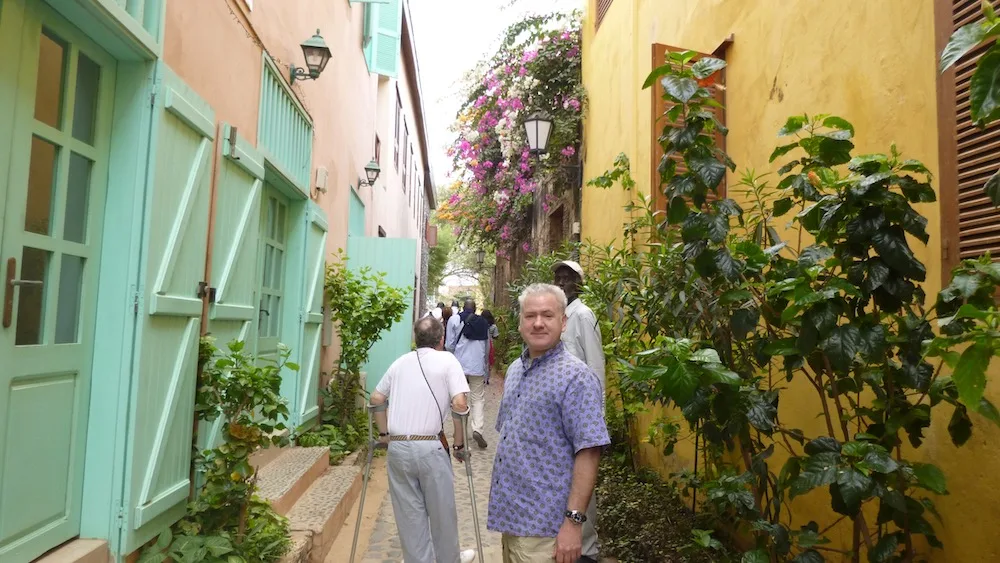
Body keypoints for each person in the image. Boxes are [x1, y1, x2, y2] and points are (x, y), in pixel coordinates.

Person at [488, 284, 610, 563]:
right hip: (513, 522)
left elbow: (589, 451)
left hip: (548, 530)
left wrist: (573, 523)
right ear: (520, 323)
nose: (538, 323)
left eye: (547, 315)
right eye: (530, 316)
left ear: (563, 322)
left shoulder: (576, 377)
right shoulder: (516, 370)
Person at [371, 317, 477, 563]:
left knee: (409, 515)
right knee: (442, 513)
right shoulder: (448, 360)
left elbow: (376, 399)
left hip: (398, 447)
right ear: (441, 339)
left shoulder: (399, 363)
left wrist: (384, 435)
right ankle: (449, 559)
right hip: (429, 446)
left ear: (415, 339)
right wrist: (459, 445)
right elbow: (460, 404)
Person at [552, 260, 606, 562]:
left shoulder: (583, 316)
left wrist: (597, 422)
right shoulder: (560, 315)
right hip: (561, 417)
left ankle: (585, 551)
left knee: (584, 482)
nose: (562, 282)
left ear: (579, 284)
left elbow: (596, 366)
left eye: (568, 278)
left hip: (582, 416)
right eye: (558, 277)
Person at [445, 299, 491, 449]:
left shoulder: (454, 319)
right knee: (478, 398)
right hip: (477, 365)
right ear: (476, 308)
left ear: (463, 308)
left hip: (459, 366)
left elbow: (449, 344)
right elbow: (487, 346)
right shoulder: (484, 322)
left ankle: (461, 431)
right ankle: (477, 429)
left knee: (459, 397)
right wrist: (485, 365)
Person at [481, 309, 500, 382]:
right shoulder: (493, 326)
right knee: (489, 360)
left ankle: (482, 375)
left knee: (482, 359)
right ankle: (487, 378)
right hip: (490, 344)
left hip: (482, 343)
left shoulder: (481, 324)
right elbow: (496, 336)